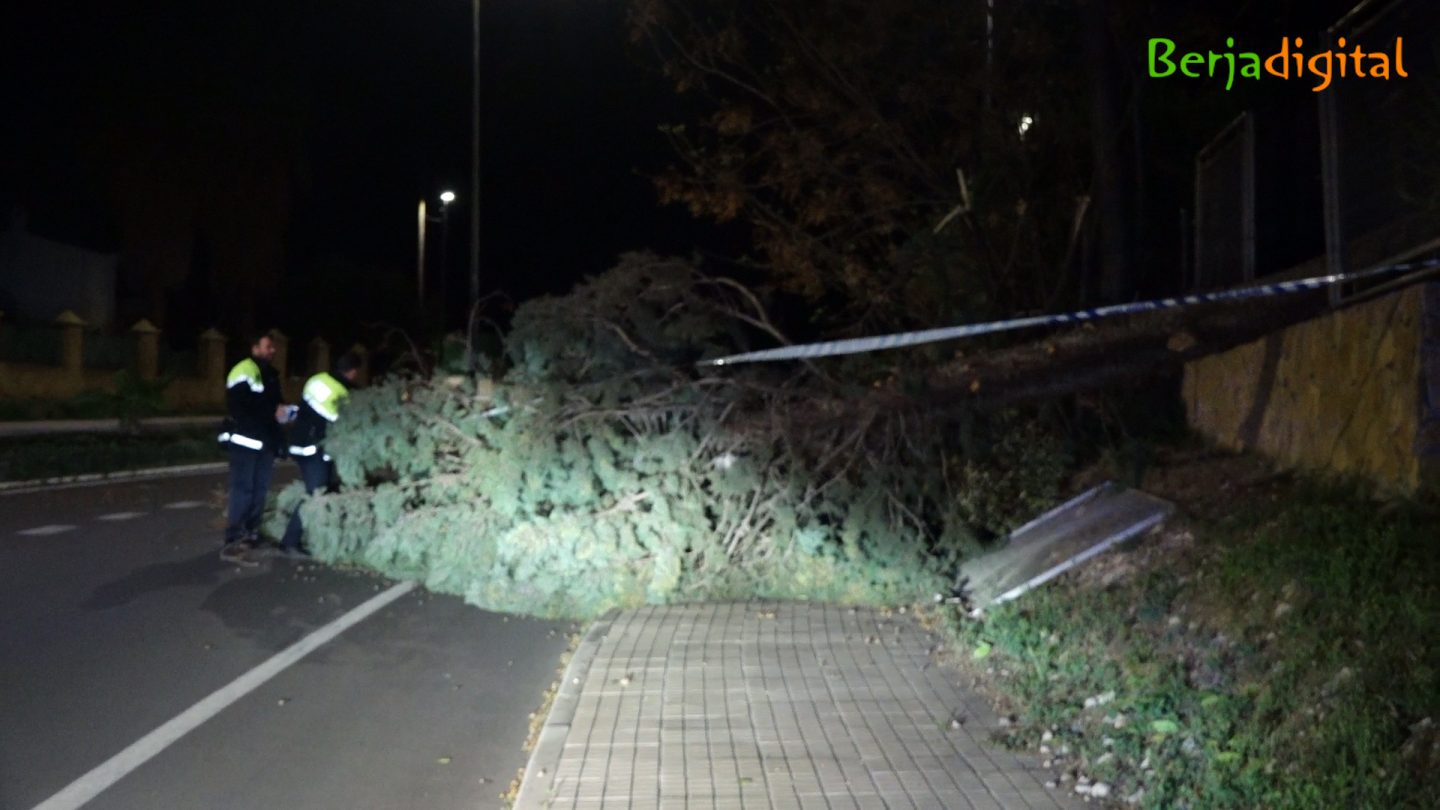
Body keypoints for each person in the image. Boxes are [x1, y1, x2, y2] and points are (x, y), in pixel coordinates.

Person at [277, 352, 361, 559]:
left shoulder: (317, 379)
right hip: (315, 447)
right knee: (315, 494)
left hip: (300, 442)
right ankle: (290, 542)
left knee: (323, 489)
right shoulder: (344, 394)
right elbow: (341, 422)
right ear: (352, 372)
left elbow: (305, 407)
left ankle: (315, 533)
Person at [218, 331, 291, 566]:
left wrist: (282, 415)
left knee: (259, 491)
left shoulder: (270, 375)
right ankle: (233, 540)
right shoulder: (244, 370)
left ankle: (251, 535)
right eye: (268, 346)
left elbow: (274, 405)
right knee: (243, 490)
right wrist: (272, 411)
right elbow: (240, 408)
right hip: (246, 442)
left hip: (266, 443)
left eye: (273, 347)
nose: (273, 350)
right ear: (255, 348)